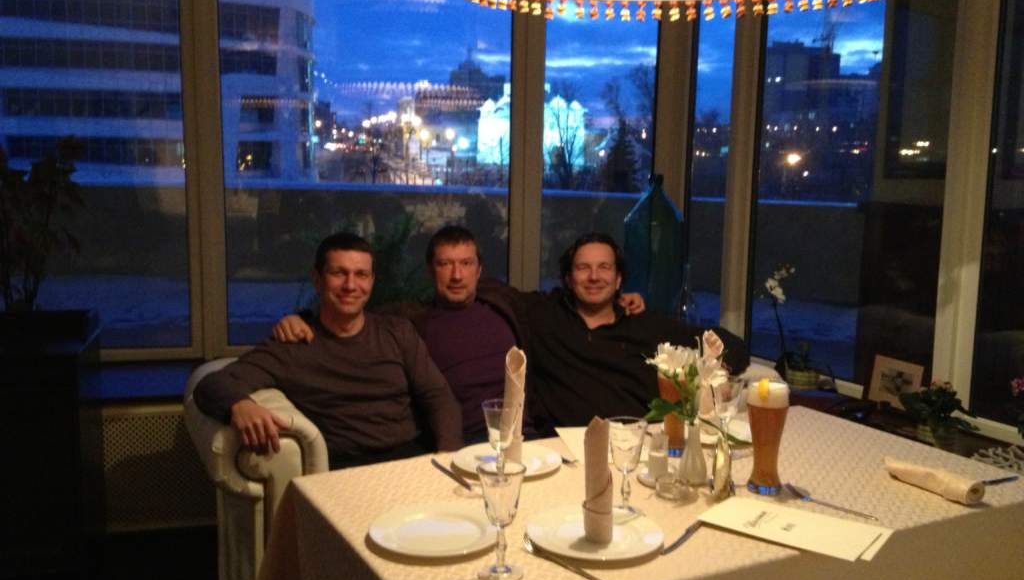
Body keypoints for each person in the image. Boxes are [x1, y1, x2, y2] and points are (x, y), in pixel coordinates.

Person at [273, 225, 646, 443]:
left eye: (466, 264)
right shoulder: (409, 321)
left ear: (479, 269)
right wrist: (301, 318)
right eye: (445, 264)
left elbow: (569, 297)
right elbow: (350, 314)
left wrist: (621, 298)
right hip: (461, 443)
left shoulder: (504, 302)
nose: (456, 275)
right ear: (431, 270)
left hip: (528, 438)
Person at [193, 232, 462, 469]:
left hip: (410, 459)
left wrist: (448, 457)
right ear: (318, 279)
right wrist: (239, 405)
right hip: (343, 470)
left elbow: (438, 396)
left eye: (361, 275)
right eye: (338, 273)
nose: (350, 285)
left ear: (371, 281)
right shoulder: (293, 346)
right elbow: (210, 384)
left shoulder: (397, 332)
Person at [525, 232, 749, 429]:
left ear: (618, 279)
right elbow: (503, 295)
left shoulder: (644, 324)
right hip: (565, 448)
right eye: (583, 268)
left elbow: (733, 346)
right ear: (568, 279)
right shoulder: (544, 315)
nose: (594, 276)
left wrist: (717, 370)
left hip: (643, 442)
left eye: (604, 267)